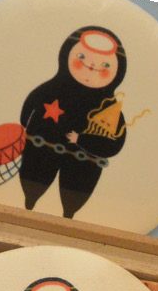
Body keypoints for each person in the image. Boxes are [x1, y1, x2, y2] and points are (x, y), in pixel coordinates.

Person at [18, 27, 128, 218]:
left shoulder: (110, 110)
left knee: (75, 191)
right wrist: (24, 124)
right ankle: (29, 201)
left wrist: (82, 140)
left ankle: (69, 215)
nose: (91, 67)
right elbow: (31, 105)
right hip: (41, 147)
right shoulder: (52, 88)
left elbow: (113, 145)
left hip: (83, 163)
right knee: (34, 177)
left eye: (105, 65)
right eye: (82, 57)